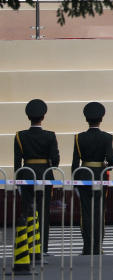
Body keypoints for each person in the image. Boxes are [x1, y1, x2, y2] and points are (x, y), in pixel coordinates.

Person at [14, 99, 59, 256]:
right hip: (45, 175)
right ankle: (42, 248)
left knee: (28, 211)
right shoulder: (50, 136)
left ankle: (28, 247)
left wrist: (18, 181)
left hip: (26, 175)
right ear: (43, 117)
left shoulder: (20, 136)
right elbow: (56, 160)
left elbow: (16, 162)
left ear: (28, 117)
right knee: (43, 212)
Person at [72, 101, 113, 255]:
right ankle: (98, 246)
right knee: (99, 211)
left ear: (86, 119)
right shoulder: (107, 137)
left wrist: (74, 181)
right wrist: (104, 165)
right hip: (100, 176)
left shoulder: (79, 138)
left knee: (86, 212)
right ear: (101, 119)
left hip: (83, 175)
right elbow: (111, 159)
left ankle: (87, 246)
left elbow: (75, 162)